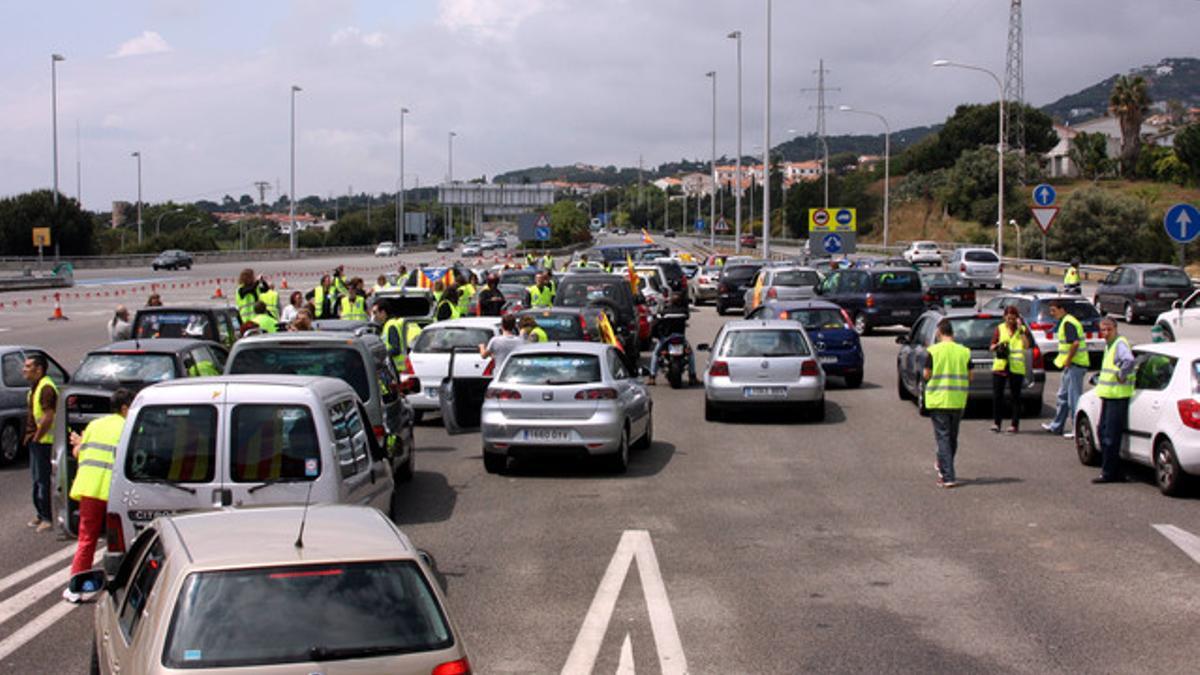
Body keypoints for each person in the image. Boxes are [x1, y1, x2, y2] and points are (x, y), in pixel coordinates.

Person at [63, 388, 133, 602]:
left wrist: (77, 444)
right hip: (116, 490)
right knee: (126, 538)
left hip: (90, 489)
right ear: (124, 408)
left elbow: (78, 453)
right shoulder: (128, 426)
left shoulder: (94, 425)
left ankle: (76, 587)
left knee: (86, 538)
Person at [924, 318, 972, 488]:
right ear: (953, 333)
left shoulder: (934, 351)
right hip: (958, 400)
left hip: (938, 400)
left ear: (939, 332)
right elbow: (970, 376)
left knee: (943, 438)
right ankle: (945, 465)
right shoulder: (964, 352)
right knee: (952, 437)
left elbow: (927, 374)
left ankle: (948, 475)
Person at [1093, 318, 1136, 484]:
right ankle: (1114, 470)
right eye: (1102, 330)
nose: (1105, 333)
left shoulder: (1119, 343)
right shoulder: (1109, 345)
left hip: (1118, 396)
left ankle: (1109, 473)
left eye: (1108, 329)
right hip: (1108, 395)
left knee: (1110, 437)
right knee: (1102, 432)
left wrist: (1121, 375)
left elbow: (1129, 360)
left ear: (1115, 328)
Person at [1042, 300, 1089, 439]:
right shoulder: (1064, 321)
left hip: (1075, 365)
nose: (1052, 314)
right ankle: (1057, 425)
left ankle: (1077, 429)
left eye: (1053, 310)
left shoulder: (1069, 322)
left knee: (1074, 399)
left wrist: (1068, 359)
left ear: (1062, 309)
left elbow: (1074, 343)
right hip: (1070, 365)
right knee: (1062, 396)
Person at [23, 355, 57, 531]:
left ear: (39, 369)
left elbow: (48, 416)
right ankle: (39, 514)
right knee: (36, 480)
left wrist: (37, 437)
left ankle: (46, 518)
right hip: (37, 440)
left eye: (28, 366)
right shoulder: (36, 387)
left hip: (44, 441)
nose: (24, 369)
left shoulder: (46, 388)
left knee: (42, 481)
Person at [989, 305, 1032, 433]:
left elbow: (1026, 345)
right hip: (1001, 366)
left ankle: (1014, 424)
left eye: (1013, 318)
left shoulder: (1022, 330)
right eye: (1008, 318)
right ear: (1004, 317)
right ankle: (997, 423)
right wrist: (998, 346)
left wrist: (1020, 330)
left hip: (1016, 367)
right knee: (998, 396)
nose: (1010, 321)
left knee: (1015, 397)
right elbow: (991, 346)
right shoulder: (1000, 328)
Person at [647, 291, 696, 386]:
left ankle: (652, 377)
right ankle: (692, 376)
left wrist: (654, 334)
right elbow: (687, 317)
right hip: (680, 337)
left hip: (666, 338)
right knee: (690, 354)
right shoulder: (683, 312)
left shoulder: (664, 312)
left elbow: (656, 323)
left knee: (656, 354)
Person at [377, 302, 423, 373]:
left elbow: (396, 348)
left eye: (375, 313)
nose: (374, 316)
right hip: (396, 367)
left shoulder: (391, 325)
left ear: (383, 312)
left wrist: (382, 355)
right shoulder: (388, 325)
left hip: (397, 368)